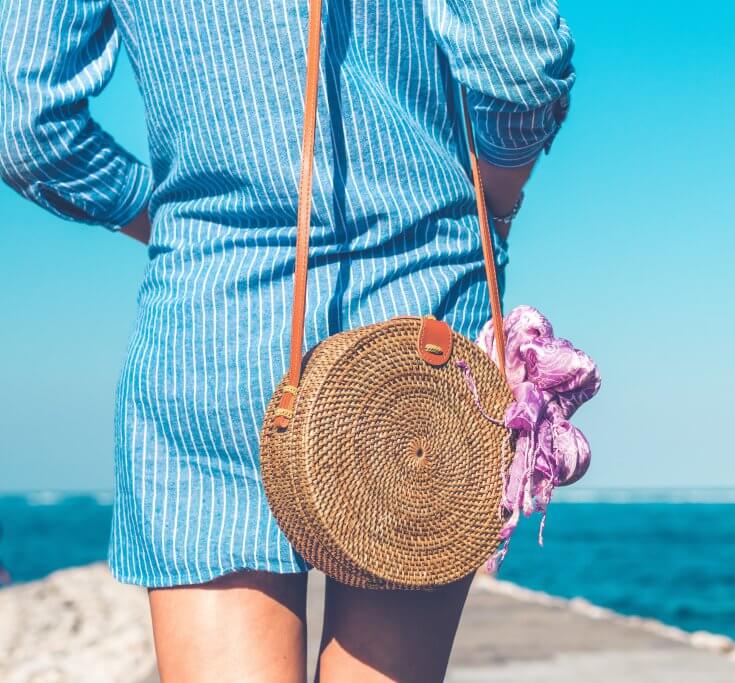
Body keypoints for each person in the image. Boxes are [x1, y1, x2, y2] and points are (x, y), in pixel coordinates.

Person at [0, 1, 575, 681]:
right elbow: (520, 63)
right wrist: (495, 199)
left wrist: (175, 223)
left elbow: (29, 128)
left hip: (212, 322)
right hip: (417, 312)